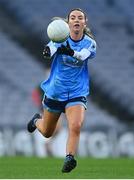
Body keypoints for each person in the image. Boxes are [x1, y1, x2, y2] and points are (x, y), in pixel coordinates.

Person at [27, 8, 96, 173]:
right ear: (69, 22)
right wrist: (47, 51)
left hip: (76, 92)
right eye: (73, 17)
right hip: (55, 92)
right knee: (47, 132)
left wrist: (71, 51)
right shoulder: (59, 39)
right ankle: (37, 121)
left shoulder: (90, 43)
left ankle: (70, 158)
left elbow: (83, 55)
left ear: (84, 22)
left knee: (76, 125)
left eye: (80, 17)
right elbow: (51, 48)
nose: (77, 20)